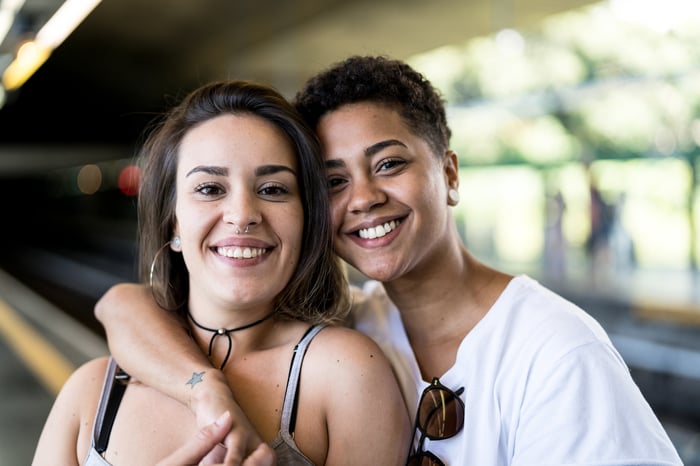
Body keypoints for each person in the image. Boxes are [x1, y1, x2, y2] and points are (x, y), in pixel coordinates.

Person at [95, 56, 683, 466]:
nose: (363, 198)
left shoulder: (555, 350)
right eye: (332, 181)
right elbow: (124, 306)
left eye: (389, 164)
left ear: (449, 173)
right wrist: (207, 390)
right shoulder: (364, 321)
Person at [32, 80, 410, 465]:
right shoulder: (90, 393)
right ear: (172, 224)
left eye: (274, 189)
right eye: (211, 188)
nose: (243, 214)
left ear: (306, 218)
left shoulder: (346, 373)